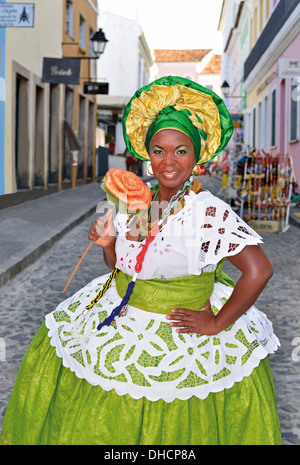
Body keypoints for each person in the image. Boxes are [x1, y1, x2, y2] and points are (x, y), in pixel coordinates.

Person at [0, 76, 282, 445]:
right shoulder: (135, 202)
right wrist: (107, 244)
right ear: (148, 155)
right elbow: (122, 266)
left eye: (181, 150)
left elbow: (259, 271)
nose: (169, 161)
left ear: (196, 156)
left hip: (177, 337)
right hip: (119, 319)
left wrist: (216, 323)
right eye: (159, 150)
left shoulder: (208, 211)